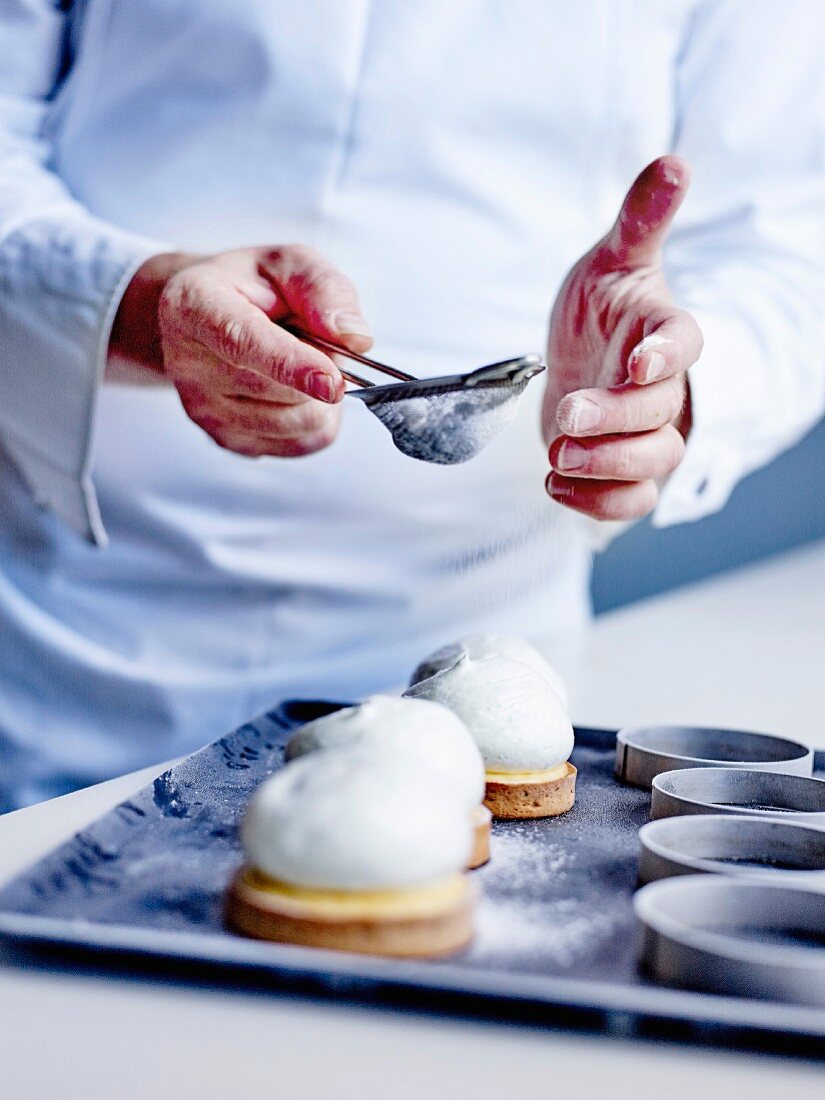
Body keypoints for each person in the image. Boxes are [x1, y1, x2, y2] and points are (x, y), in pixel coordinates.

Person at [1, 1, 823, 810]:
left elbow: (788, 240)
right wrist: (136, 305)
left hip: (481, 673)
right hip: (83, 640)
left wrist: (662, 385)